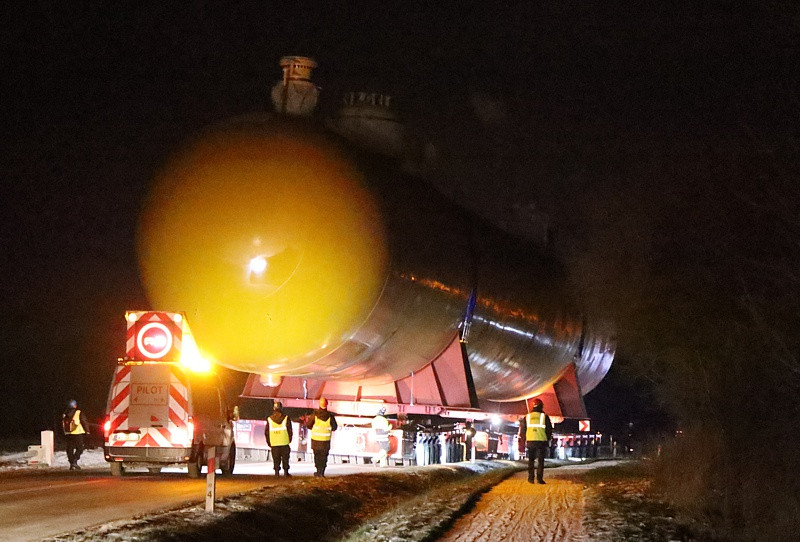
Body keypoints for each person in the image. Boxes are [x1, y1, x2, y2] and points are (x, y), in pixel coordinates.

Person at [519, 397, 552, 484]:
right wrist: (547, 439)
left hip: (530, 440)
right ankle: (539, 479)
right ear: (541, 406)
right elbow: (549, 430)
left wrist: (525, 438)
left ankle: (530, 478)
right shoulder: (544, 416)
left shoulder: (527, 417)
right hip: (541, 441)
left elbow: (523, 430)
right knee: (540, 461)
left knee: (531, 460)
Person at [305, 397, 337, 477]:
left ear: (319, 404)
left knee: (317, 456)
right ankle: (322, 472)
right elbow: (334, 427)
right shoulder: (330, 416)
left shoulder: (314, 415)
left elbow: (309, 426)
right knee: (324, 457)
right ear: (327, 405)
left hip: (316, 441)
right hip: (325, 442)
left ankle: (318, 471)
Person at [265, 401, 293, 476]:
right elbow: (290, 430)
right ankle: (286, 473)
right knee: (285, 458)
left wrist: (269, 442)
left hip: (274, 443)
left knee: (276, 459)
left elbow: (266, 432)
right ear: (281, 408)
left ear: (273, 409)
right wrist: (289, 439)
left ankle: (277, 473)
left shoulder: (269, 419)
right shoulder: (286, 418)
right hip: (284, 442)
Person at [62, 399, 89, 470]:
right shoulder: (78, 412)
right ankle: (74, 460)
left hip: (68, 433)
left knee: (70, 449)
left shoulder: (65, 413)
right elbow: (84, 421)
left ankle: (71, 463)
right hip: (77, 433)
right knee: (80, 448)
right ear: (75, 405)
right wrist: (87, 431)